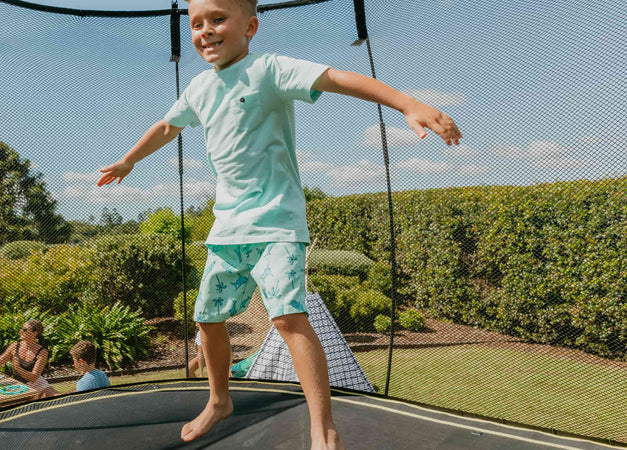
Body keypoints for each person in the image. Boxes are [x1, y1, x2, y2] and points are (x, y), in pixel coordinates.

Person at [97, 1, 462, 447]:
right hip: (228, 229)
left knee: (288, 319)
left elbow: (338, 78)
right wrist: (129, 160)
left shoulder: (270, 69)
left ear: (249, 26)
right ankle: (218, 400)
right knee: (207, 320)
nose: (205, 31)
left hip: (277, 224)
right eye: (196, 24)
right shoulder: (199, 88)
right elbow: (167, 126)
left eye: (217, 20)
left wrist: (407, 103)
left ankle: (322, 427)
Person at [0, 319, 58, 398]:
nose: (21, 331)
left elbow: (33, 377)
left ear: (35, 333)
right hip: (19, 385)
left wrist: (17, 368)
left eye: (24, 329)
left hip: (37, 384)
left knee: (57, 397)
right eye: (21, 329)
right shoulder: (15, 346)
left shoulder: (42, 352)